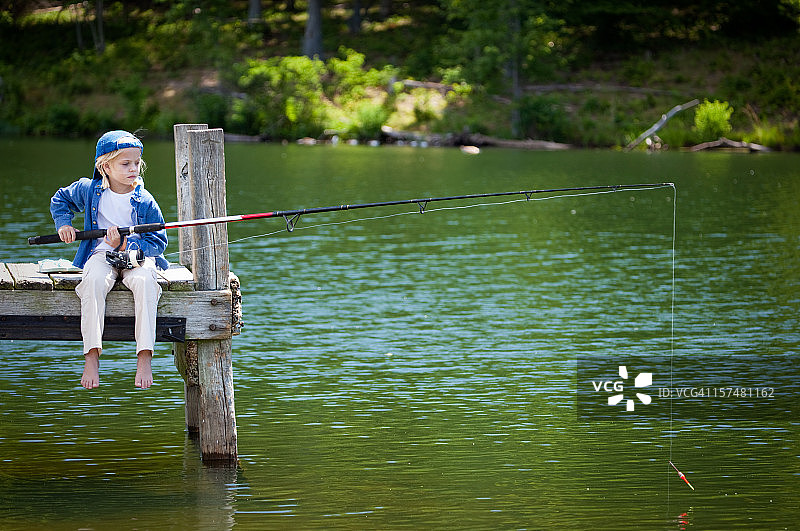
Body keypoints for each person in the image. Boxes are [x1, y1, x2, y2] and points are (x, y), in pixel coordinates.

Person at [50, 130, 168, 390]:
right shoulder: (89, 190)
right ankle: (91, 356)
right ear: (105, 166)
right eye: (125, 164)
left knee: (146, 281)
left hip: (136, 257)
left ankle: (144, 355)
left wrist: (126, 244)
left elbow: (159, 242)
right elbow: (60, 200)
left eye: (137, 163)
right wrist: (64, 225)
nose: (133, 169)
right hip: (101, 253)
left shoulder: (145, 200)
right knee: (92, 281)